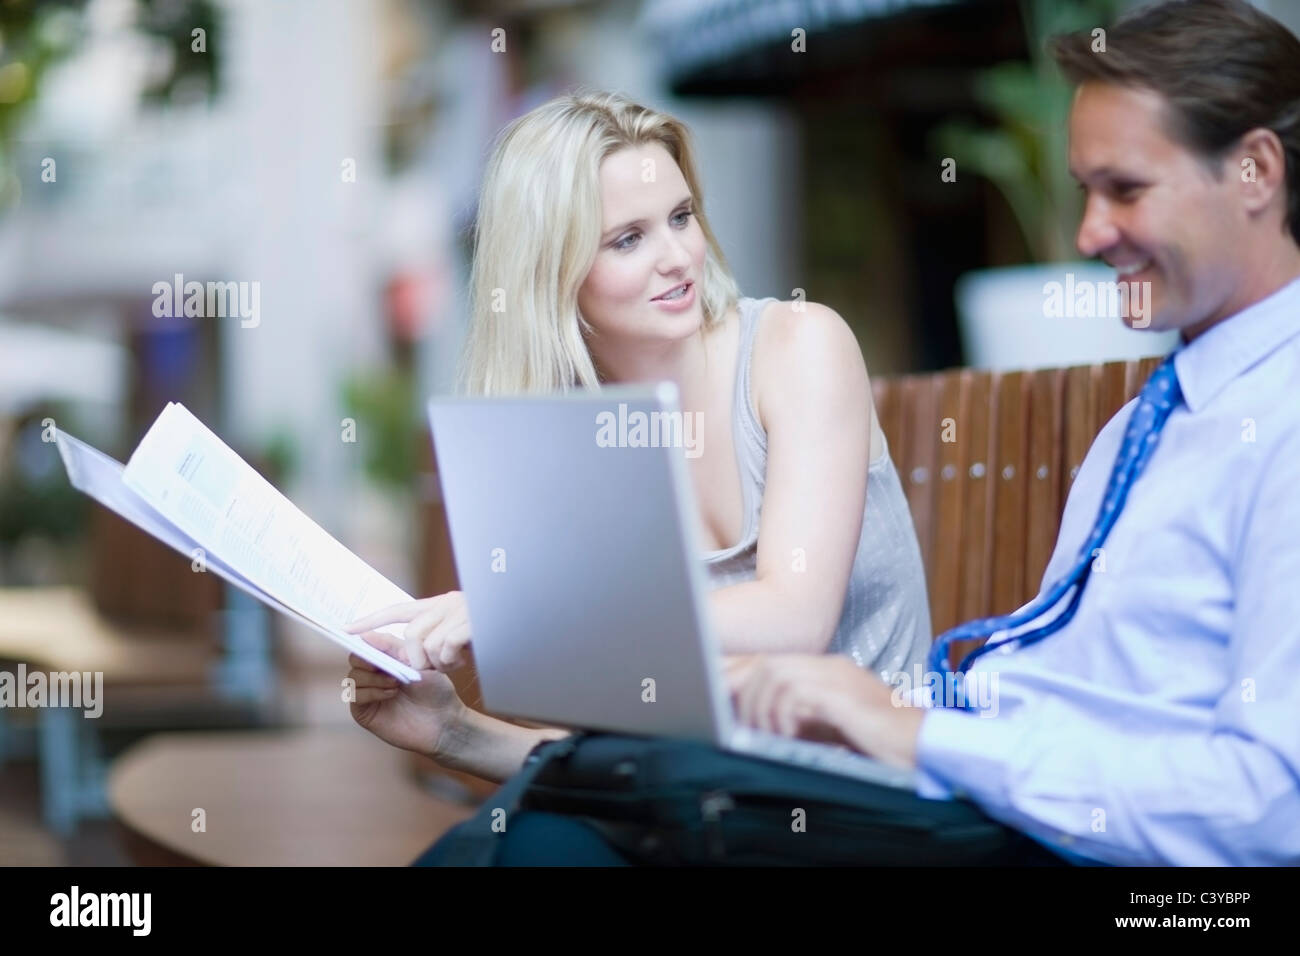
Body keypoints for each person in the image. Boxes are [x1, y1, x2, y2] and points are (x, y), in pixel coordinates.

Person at [726, 0, 1300, 866]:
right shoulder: (1147, 424)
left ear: (1256, 170)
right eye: (1086, 192)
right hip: (985, 809)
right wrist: (862, 721)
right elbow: (1067, 697)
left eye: (1127, 189)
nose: (1089, 234)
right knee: (620, 793)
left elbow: (1270, 808)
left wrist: (914, 735)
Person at [345, 93, 932, 706]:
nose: (678, 258)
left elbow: (796, 617)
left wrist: (529, 615)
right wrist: (453, 736)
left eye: (681, 217)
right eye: (628, 239)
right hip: (701, 783)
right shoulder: (568, 435)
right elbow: (617, 728)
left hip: (861, 775)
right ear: (552, 273)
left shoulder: (800, 345)